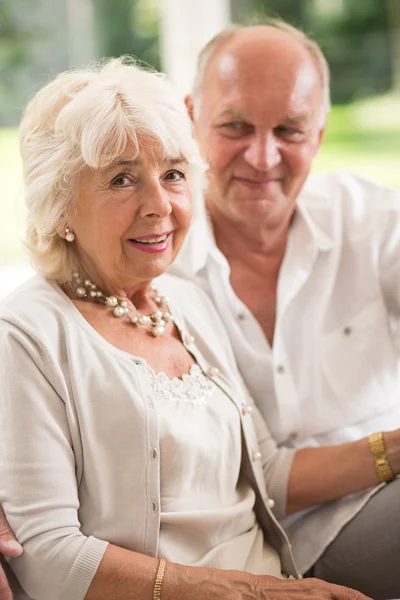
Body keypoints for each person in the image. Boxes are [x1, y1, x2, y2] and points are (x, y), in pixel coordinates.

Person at [0, 57, 374, 600]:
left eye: (173, 174)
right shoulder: (26, 336)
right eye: (121, 179)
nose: (160, 206)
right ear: (59, 206)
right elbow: (51, 560)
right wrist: (252, 592)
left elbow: (264, 473)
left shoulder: (187, 302)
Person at [166, 18, 400, 599]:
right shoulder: (156, 265)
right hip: (274, 538)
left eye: (289, 130)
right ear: (192, 119)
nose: (263, 156)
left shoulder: (367, 222)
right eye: (236, 126)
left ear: (318, 135)